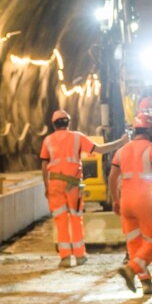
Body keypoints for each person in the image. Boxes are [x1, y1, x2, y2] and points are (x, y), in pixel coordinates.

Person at [109, 113, 152, 295]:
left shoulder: (121, 151)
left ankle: (146, 283)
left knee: (135, 243)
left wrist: (115, 199)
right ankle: (131, 268)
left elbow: (112, 177)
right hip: (145, 201)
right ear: (150, 130)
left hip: (126, 201)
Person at [40, 109, 96, 267]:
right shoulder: (77, 137)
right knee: (76, 218)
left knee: (60, 219)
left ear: (53, 124)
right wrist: (121, 142)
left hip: (55, 184)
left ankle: (65, 258)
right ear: (68, 123)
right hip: (73, 185)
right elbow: (98, 149)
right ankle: (79, 255)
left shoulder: (48, 140)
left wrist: (46, 185)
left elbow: (44, 164)